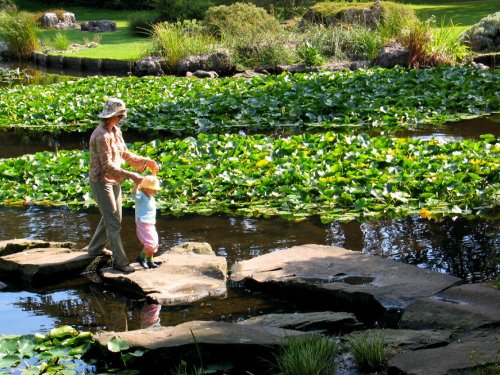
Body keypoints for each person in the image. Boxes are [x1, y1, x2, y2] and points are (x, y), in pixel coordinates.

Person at [87, 98, 159, 274]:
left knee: (113, 217)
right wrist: (132, 175)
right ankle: (120, 262)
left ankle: (95, 248)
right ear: (112, 116)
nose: (122, 119)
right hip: (101, 180)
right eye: (120, 116)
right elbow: (108, 166)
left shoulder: (115, 131)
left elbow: (125, 153)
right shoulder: (101, 135)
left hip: (115, 180)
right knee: (114, 222)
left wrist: (146, 161)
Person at [133, 175, 161, 269]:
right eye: (152, 189)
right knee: (150, 243)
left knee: (155, 243)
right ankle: (141, 258)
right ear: (145, 188)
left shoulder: (151, 197)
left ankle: (150, 260)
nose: (155, 191)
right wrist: (137, 183)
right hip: (143, 222)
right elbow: (134, 194)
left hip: (151, 223)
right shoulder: (141, 195)